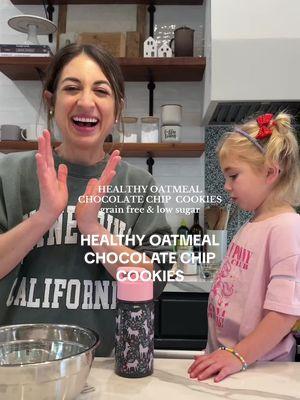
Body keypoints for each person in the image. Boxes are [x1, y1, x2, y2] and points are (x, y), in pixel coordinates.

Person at [0, 44, 172, 356]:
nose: (86, 101)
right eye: (72, 88)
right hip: (15, 363)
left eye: (101, 91)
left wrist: (92, 228)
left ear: (117, 107)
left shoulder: (139, 185)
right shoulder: (9, 172)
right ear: (51, 101)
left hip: (105, 366)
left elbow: (152, 281)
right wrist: (44, 216)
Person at [188, 112, 300, 382]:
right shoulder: (253, 223)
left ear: (270, 172)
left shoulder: (288, 229)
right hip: (233, 362)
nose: (226, 186)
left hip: (260, 369)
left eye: (233, 176)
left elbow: (285, 313)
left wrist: (238, 355)